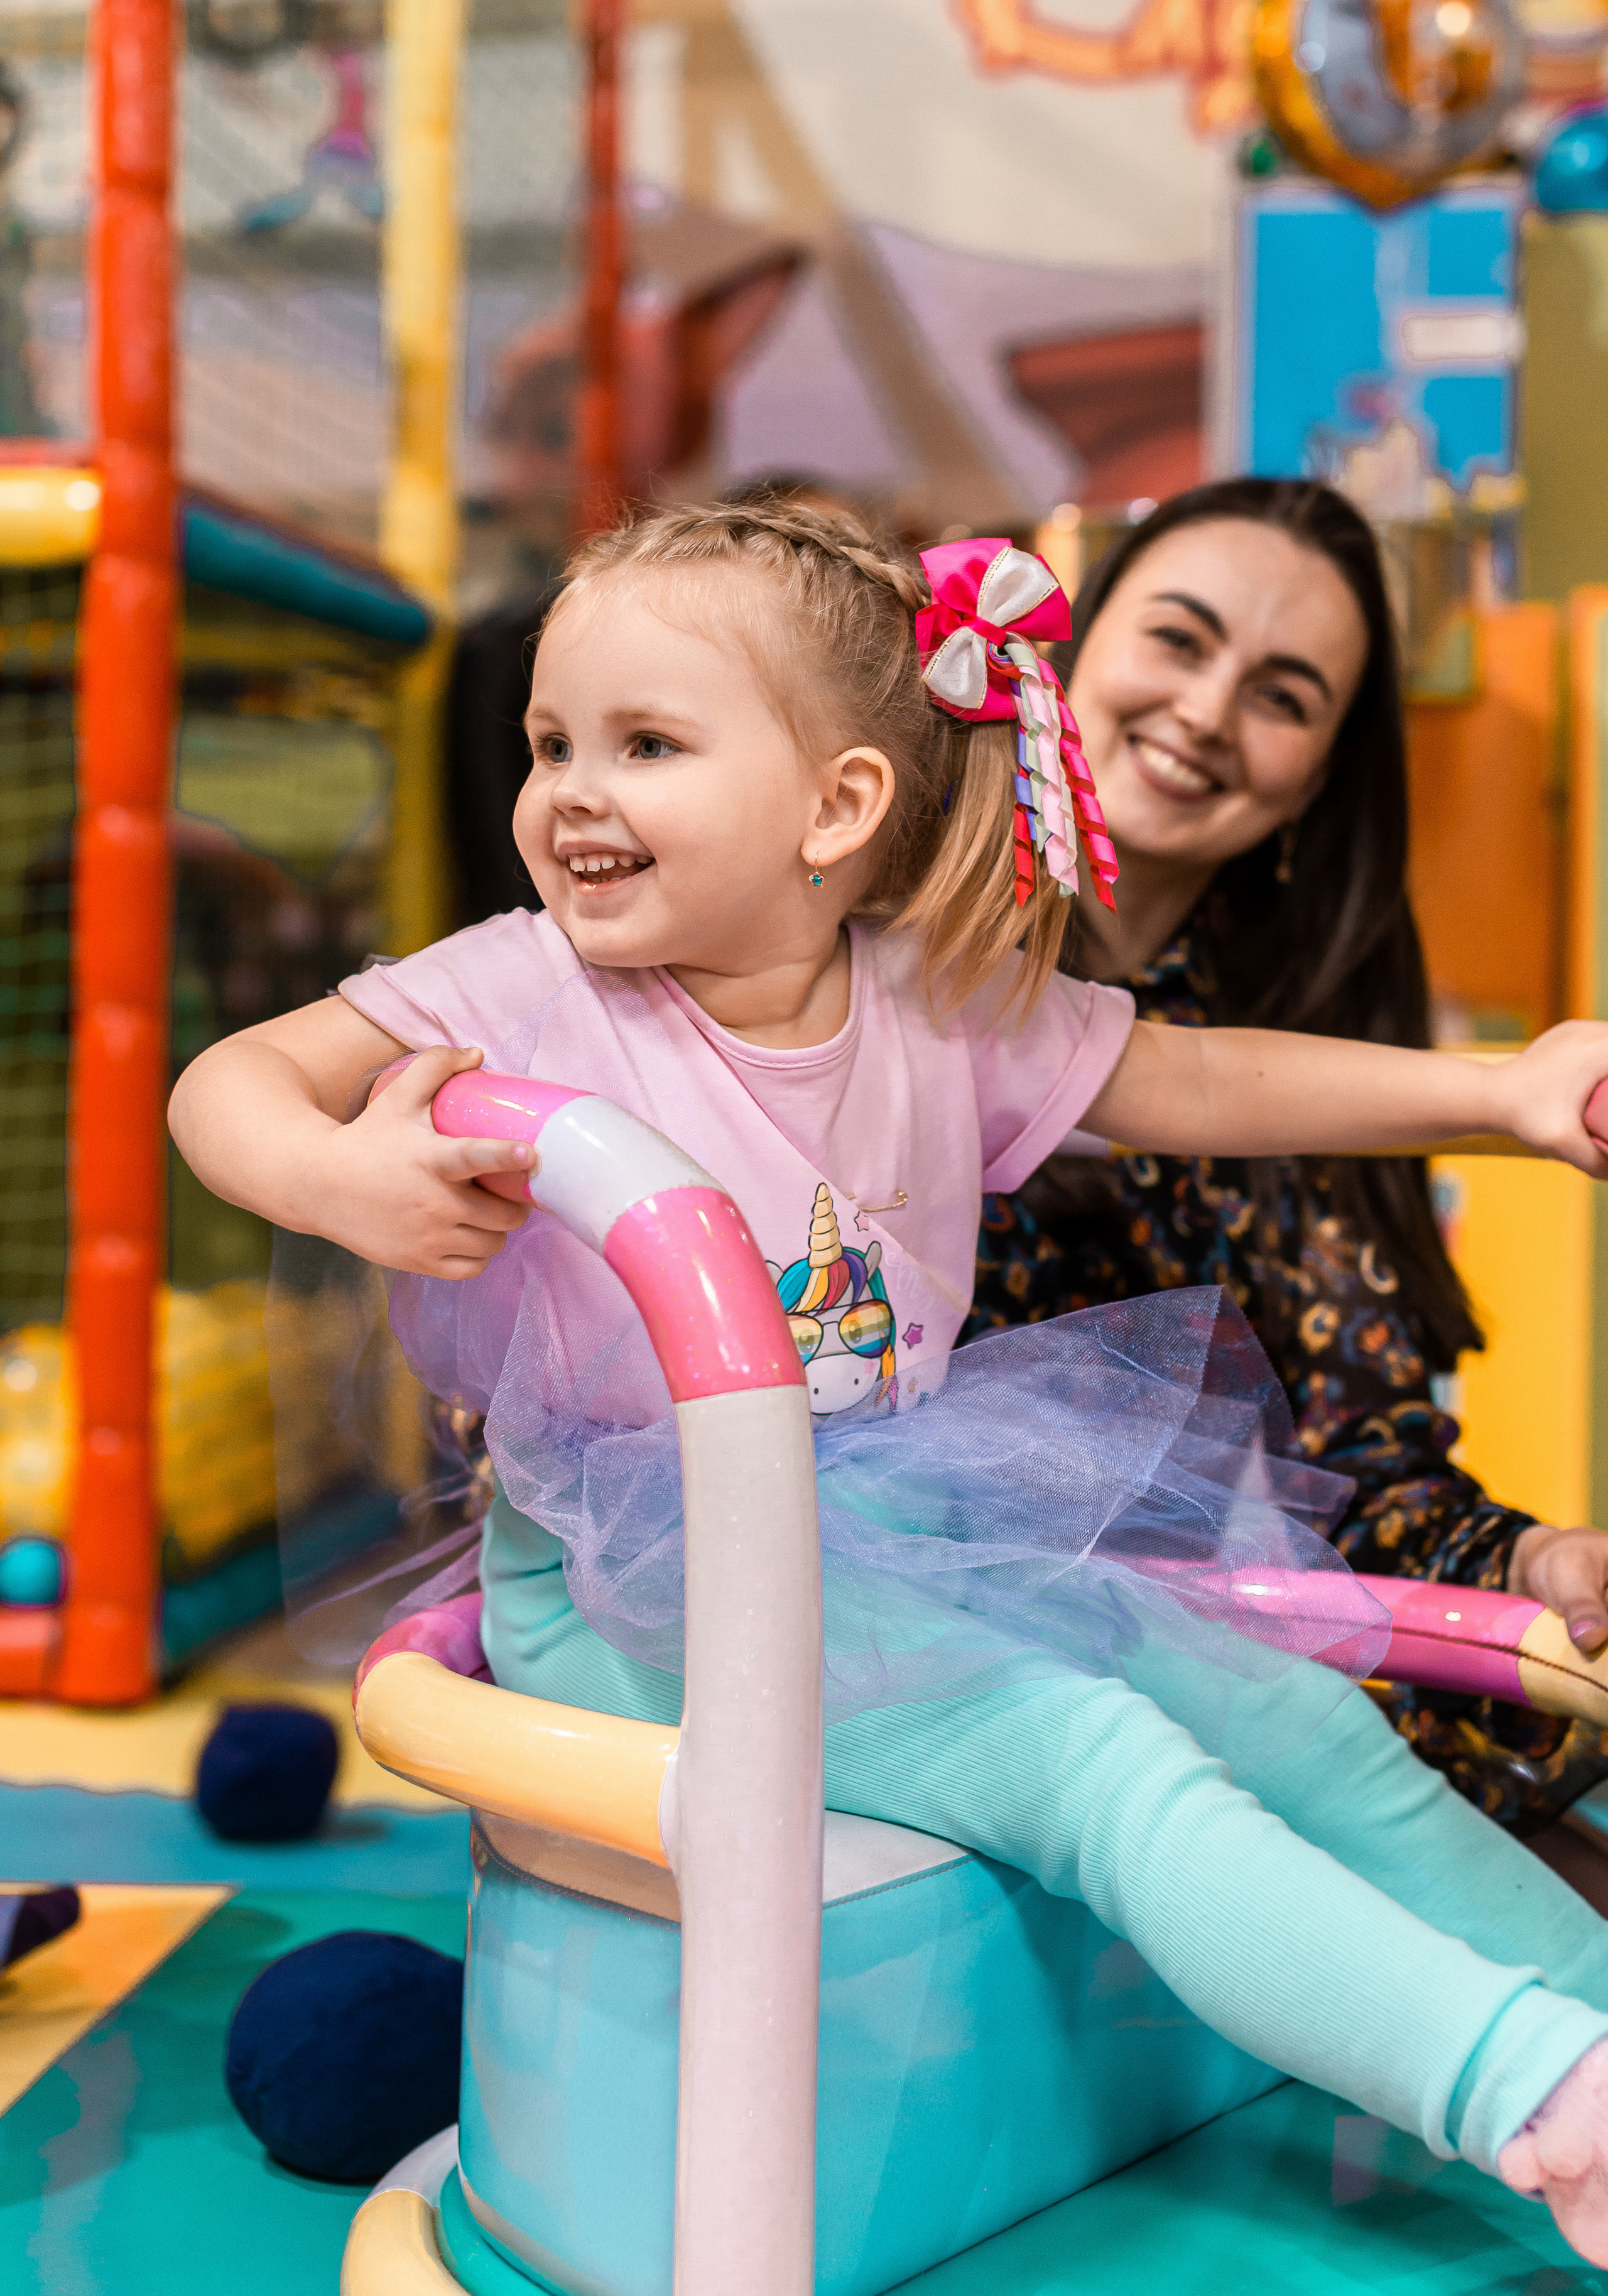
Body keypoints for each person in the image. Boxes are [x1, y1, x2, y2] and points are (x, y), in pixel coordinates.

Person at [170, 499, 1608, 2259]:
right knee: (1089, 1760)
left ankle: (1584, 1996)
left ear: (839, 808)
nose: (568, 790)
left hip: (901, 1526)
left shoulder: (934, 1002)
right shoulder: (526, 983)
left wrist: (1515, 1095)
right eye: (552, 741)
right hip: (639, 1587)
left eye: (646, 742)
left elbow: (1208, 1084)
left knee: (1281, 1705)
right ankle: (1538, 2098)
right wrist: (336, 1176)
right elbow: (231, 1083)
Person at [965, 477, 1608, 1855]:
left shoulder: (1282, 1052)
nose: (1204, 713)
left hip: (1179, 1703)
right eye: (1178, 641)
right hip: (899, 1664)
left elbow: (1360, 1484)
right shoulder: (898, 929)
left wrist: (1538, 1564)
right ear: (1064, 651)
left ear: (1319, 775)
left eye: (1281, 695)